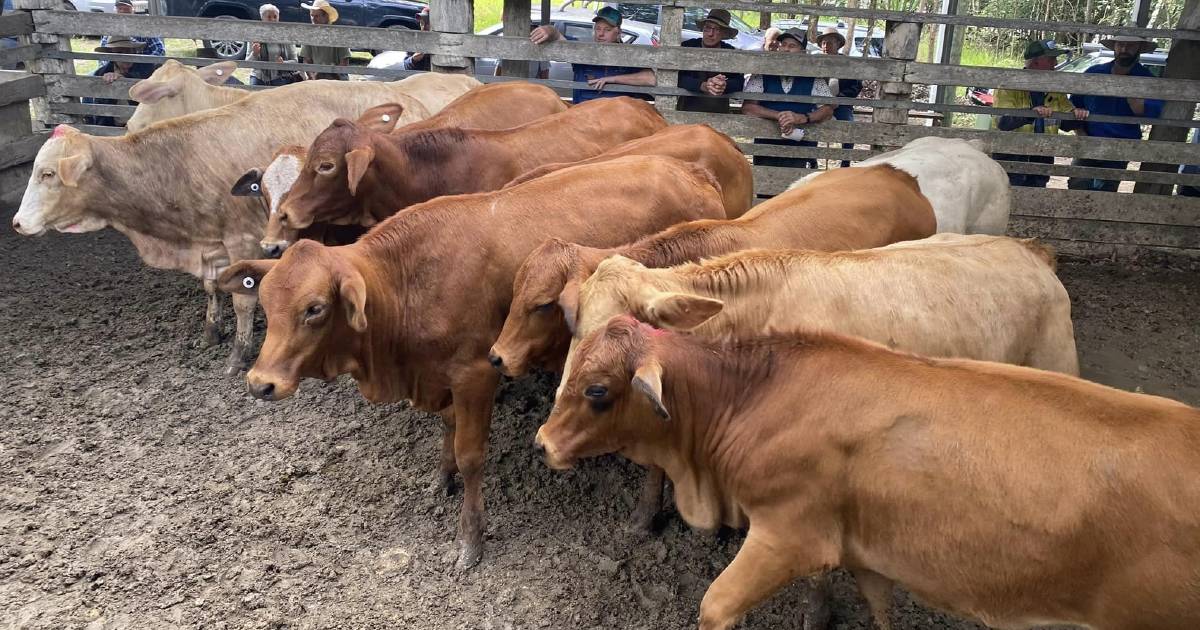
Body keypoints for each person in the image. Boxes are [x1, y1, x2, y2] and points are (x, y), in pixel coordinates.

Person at [1066, 34, 1164, 192]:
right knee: (1077, 185)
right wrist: (1081, 133)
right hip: (1089, 141)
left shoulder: (1146, 79)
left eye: (1130, 46)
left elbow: (1154, 112)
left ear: (1139, 48)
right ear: (1114, 47)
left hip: (1121, 146)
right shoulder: (1094, 73)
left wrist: (1131, 93)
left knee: (1107, 190)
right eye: (1120, 45)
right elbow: (1073, 105)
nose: (1124, 49)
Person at [742, 28, 835, 170]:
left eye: (792, 46)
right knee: (766, 187)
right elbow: (748, 108)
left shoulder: (813, 78)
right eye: (783, 45)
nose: (786, 49)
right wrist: (778, 115)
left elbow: (828, 109)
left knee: (799, 188)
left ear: (803, 53)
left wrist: (803, 118)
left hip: (802, 148)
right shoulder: (763, 74)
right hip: (766, 147)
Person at [989, 39, 1075, 187]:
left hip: (1042, 156)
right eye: (1051, 59)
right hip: (1011, 155)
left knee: (1036, 196)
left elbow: (1067, 123)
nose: (1055, 63)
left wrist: (1076, 114)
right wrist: (1031, 114)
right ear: (1036, 62)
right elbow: (1003, 122)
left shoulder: (1055, 88)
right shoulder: (1009, 86)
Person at [530, 6, 655, 104]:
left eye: (607, 30)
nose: (601, 34)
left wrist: (613, 79)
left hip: (616, 119)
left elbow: (650, 79)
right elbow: (558, 36)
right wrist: (549, 30)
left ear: (618, 33)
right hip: (584, 117)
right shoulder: (583, 52)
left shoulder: (630, 55)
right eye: (598, 28)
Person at [676, 9, 745, 114]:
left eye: (717, 29)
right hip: (687, 110)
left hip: (719, 113)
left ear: (724, 33)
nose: (710, 34)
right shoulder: (688, 46)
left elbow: (739, 82)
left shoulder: (730, 52)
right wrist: (702, 85)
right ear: (703, 29)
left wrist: (723, 84)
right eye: (708, 27)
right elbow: (676, 77)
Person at [816, 26, 862, 167]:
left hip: (841, 103)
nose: (826, 46)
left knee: (848, 126)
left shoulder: (847, 63)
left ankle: (845, 161)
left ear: (838, 44)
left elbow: (856, 85)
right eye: (823, 43)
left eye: (829, 42)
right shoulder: (814, 62)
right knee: (808, 123)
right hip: (817, 103)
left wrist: (840, 98)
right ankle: (811, 159)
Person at [85, 36, 156, 126]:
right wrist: (109, 85)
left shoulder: (146, 68)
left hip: (142, 124)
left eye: (128, 51)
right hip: (112, 126)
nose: (125, 56)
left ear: (134, 52)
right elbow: (100, 110)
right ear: (112, 55)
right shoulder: (101, 73)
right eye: (119, 52)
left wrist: (124, 80)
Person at [247, 4, 300, 86]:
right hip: (259, 77)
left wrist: (284, 63)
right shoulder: (255, 36)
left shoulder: (286, 36)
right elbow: (247, 63)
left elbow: (295, 61)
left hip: (281, 77)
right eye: (269, 17)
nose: (273, 20)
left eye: (275, 17)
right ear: (262, 18)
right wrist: (254, 53)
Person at [299, 0, 351, 80]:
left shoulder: (339, 35)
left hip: (337, 77)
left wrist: (331, 79)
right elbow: (306, 61)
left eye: (317, 16)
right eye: (312, 16)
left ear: (326, 16)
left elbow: (344, 63)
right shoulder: (309, 35)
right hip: (316, 76)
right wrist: (313, 77)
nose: (313, 19)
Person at [98, 0, 164, 57]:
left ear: (133, 10)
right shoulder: (111, 29)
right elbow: (103, 55)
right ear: (115, 11)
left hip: (142, 67)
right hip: (116, 68)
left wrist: (145, 65)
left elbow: (159, 50)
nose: (123, 11)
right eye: (119, 8)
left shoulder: (145, 28)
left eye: (126, 9)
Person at [401, 6, 431, 71]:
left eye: (427, 22)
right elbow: (406, 65)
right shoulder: (414, 40)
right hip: (420, 79)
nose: (423, 25)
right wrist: (413, 59)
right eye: (422, 21)